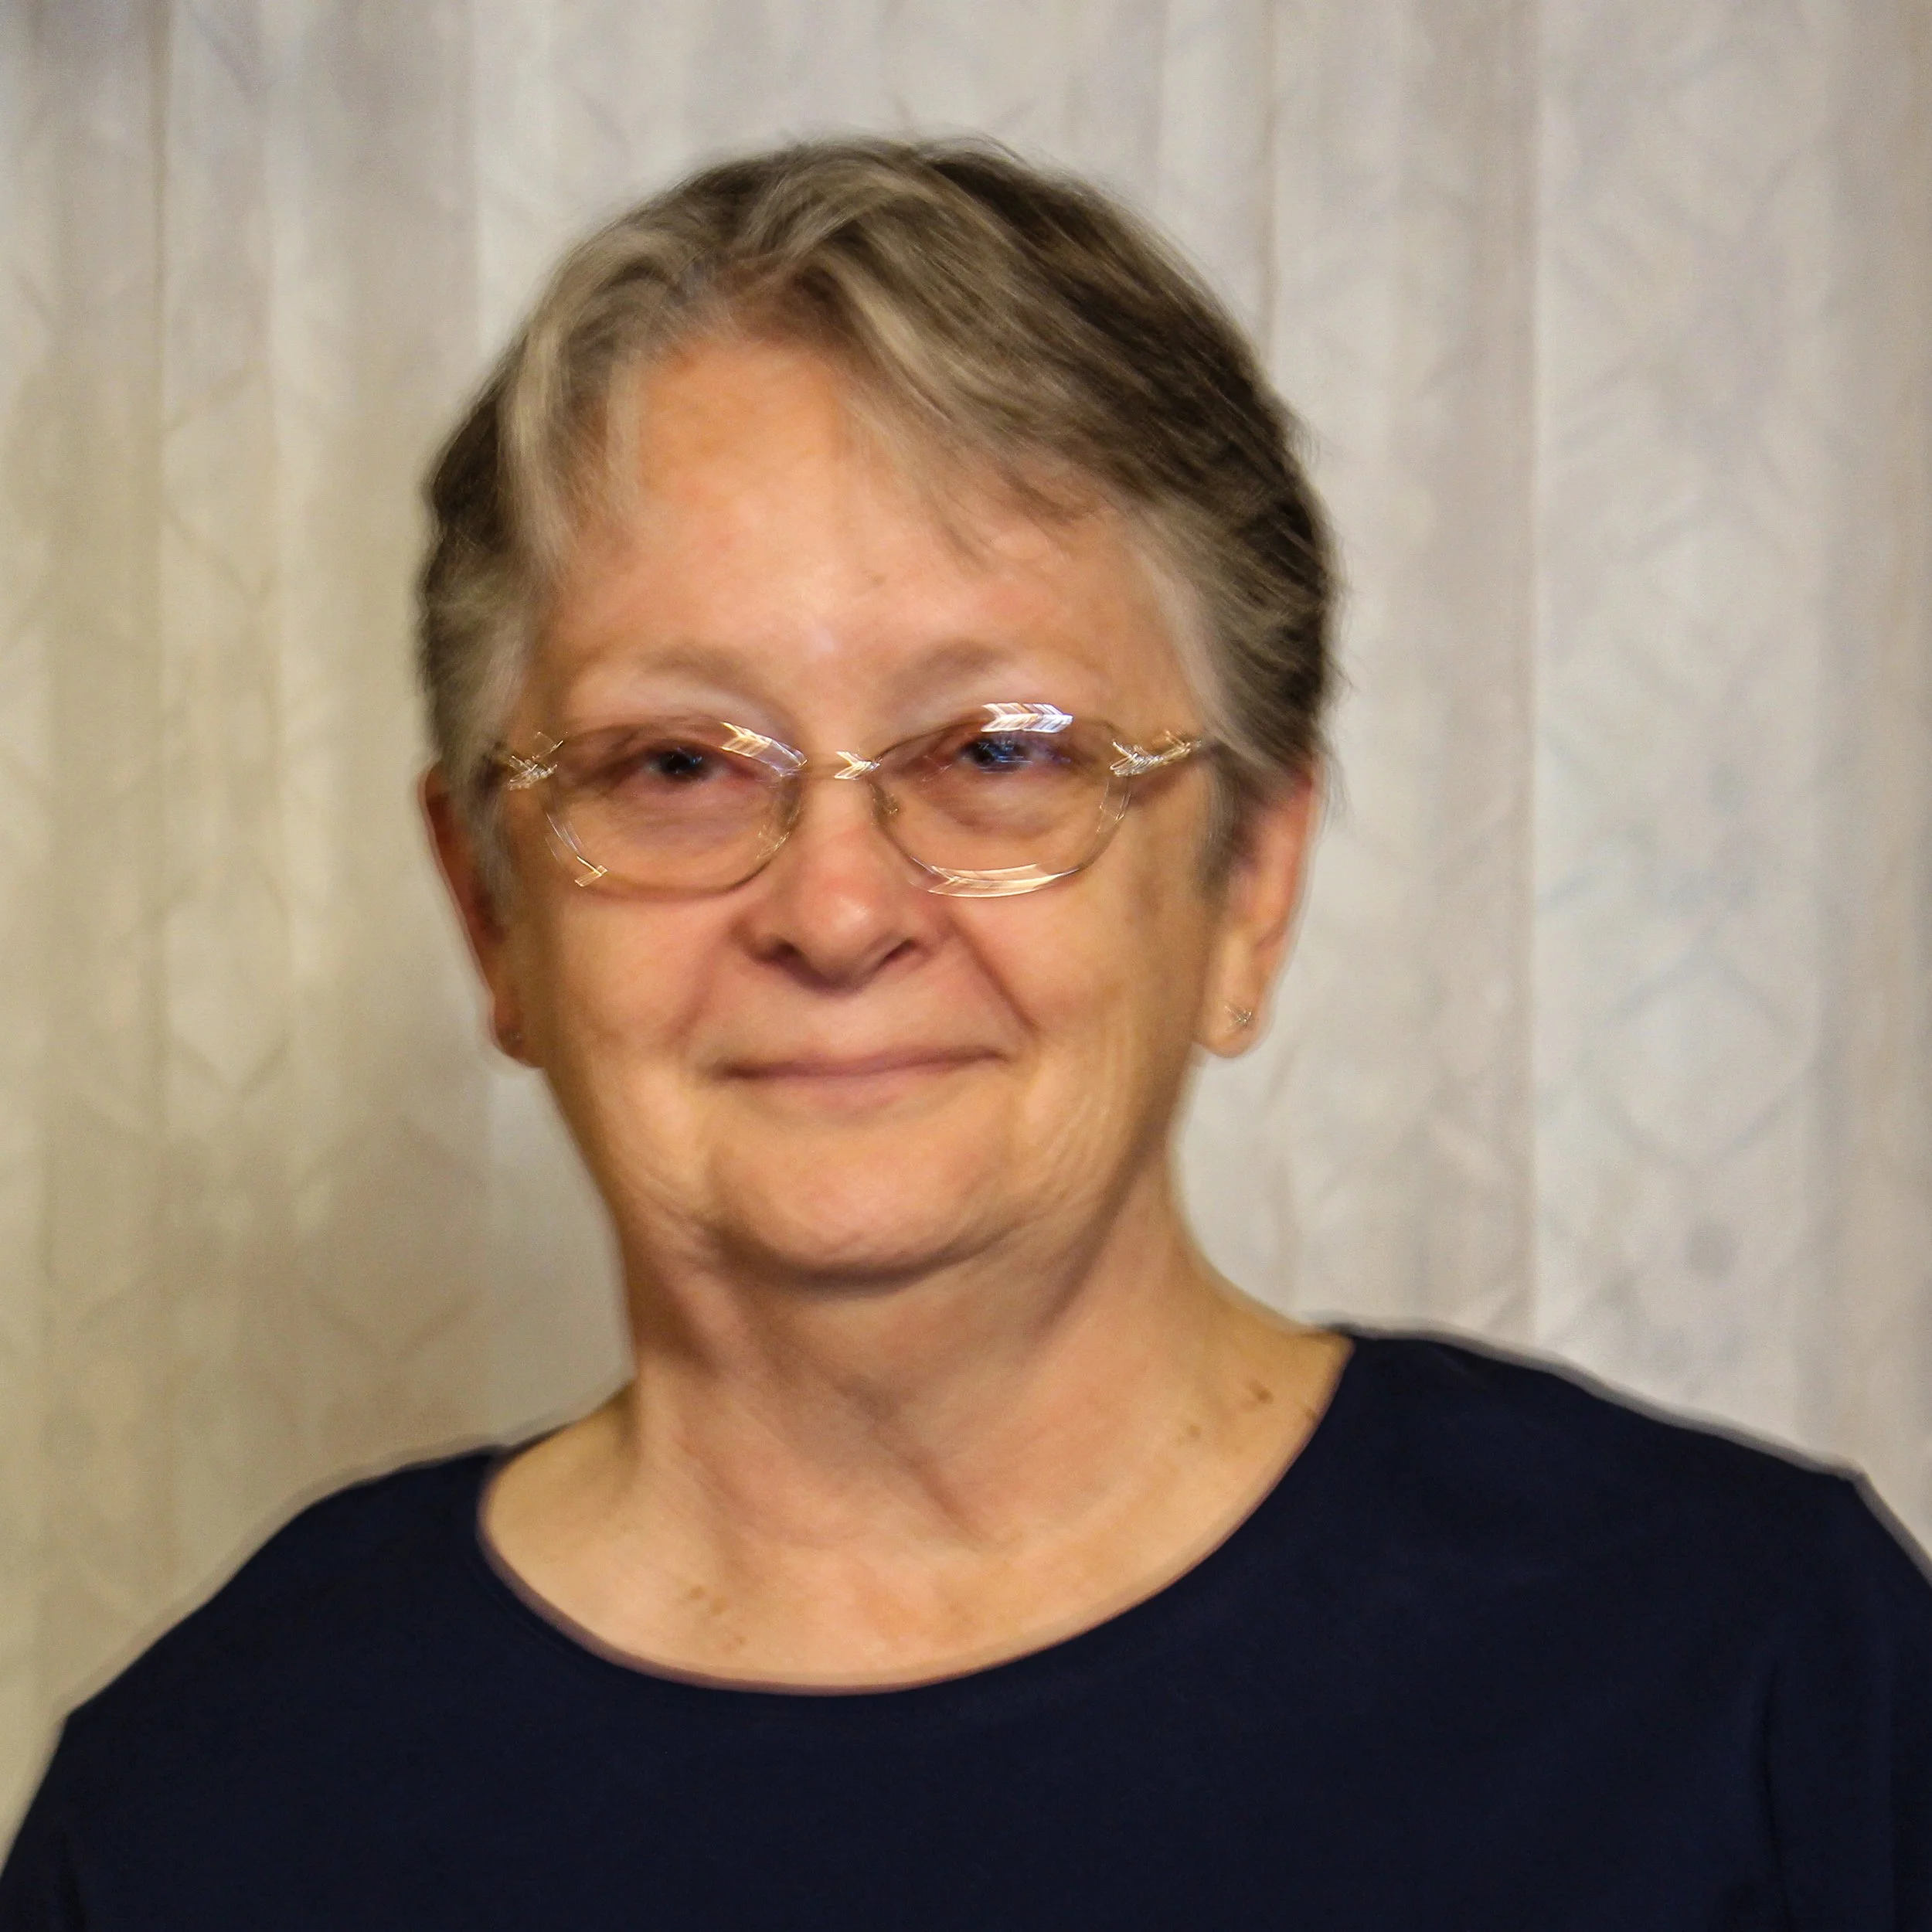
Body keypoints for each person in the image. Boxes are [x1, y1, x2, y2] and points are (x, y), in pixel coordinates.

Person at [3, 136, 1928, 1930]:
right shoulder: (205, 1806)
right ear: (489, 903)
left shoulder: (1750, 1675)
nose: (836, 910)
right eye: (674, 762)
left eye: (1000, 749)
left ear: (1248, 881)